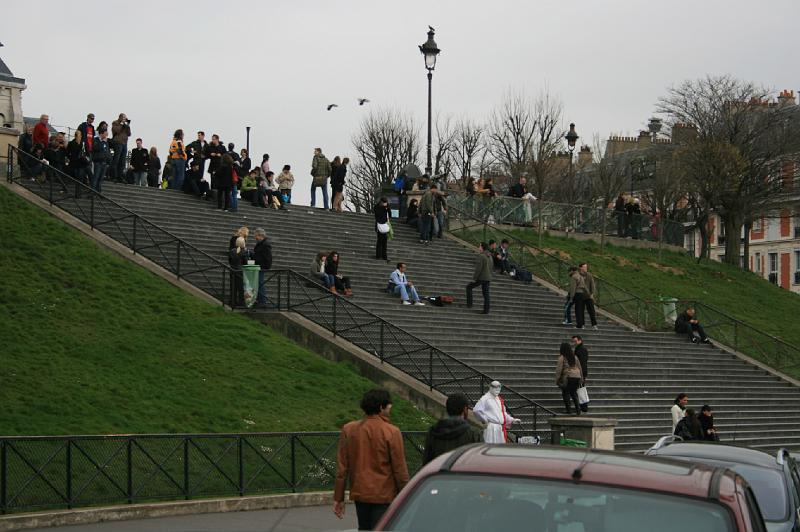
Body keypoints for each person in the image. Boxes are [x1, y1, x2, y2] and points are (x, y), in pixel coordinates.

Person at [333, 389, 409, 530]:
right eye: (389, 405)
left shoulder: (348, 429)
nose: (390, 408)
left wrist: (339, 497)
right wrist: (407, 496)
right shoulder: (392, 431)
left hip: (360, 493)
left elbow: (342, 468)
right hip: (384, 494)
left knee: (364, 528)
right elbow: (400, 470)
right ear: (381, 407)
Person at [422, 392, 483, 464]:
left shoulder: (433, 432)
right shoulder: (474, 433)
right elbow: (480, 462)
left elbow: (427, 462)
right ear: (465, 409)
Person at [555, 341, 583, 415]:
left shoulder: (562, 357)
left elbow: (559, 369)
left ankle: (569, 410)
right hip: (577, 376)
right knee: (574, 393)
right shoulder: (575, 357)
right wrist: (581, 378)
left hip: (568, 376)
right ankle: (578, 410)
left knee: (566, 393)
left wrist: (557, 380)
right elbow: (580, 368)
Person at [466, 242, 492, 314]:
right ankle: (486, 310)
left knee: (469, 287)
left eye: (479, 246)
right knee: (486, 294)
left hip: (482, 277)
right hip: (488, 278)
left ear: (482, 247)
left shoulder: (481, 256)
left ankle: (469, 304)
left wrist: (474, 278)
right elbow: (491, 267)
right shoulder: (489, 256)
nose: (478, 247)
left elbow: (478, 268)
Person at [570, 262, 598, 330]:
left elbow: (592, 285)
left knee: (591, 311)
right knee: (580, 310)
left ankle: (594, 325)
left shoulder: (589, 275)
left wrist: (592, 294)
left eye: (586, 267)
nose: (586, 268)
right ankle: (581, 324)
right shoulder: (577, 275)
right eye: (585, 267)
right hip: (581, 295)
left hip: (588, 296)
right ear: (581, 268)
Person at [228, 236, 251, 307]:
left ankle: (233, 301)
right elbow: (246, 262)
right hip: (241, 271)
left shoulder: (232, 251)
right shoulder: (244, 251)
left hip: (233, 270)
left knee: (233, 287)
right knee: (241, 288)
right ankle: (241, 302)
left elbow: (230, 261)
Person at [252, 228, 272, 309]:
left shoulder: (265, 245)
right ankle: (259, 300)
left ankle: (262, 301)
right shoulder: (261, 244)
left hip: (261, 267)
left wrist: (256, 260)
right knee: (258, 284)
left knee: (260, 284)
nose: (255, 237)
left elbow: (267, 258)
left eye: (256, 236)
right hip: (258, 266)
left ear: (260, 235)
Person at [110, 113, 131, 180]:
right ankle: (114, 176)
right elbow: (117, 131)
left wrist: (128, 125)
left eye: (125, 118)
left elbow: (129, 134)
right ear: (120, 117)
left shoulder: (125, 125)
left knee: (122, 161)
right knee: (116, 160)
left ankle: (120, 176)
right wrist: (121, 124)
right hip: (118, 143)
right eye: (124, 118)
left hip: (124, 144)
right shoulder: (115, 123)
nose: (125, 119)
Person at [374, 197, 390, 261]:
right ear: (381, 202)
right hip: (379, 225)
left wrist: (387, 208)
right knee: (379, 241)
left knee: (385, 242)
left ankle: (384, 256)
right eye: (384, 202)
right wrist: (384, 208)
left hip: (385, 225)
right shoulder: (377, 207)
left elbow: (390, 215)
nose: (385, 204)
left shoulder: (387, 207)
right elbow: (378, 215)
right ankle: (378, 255)